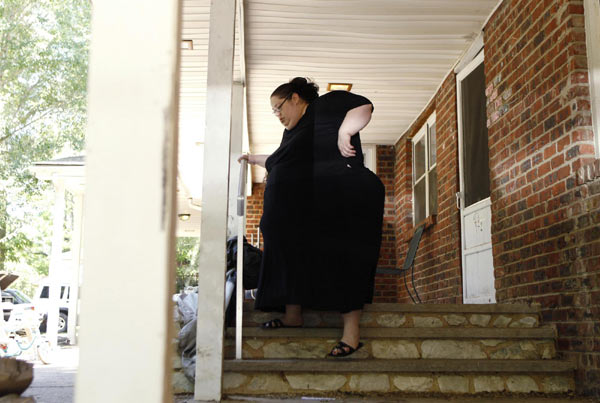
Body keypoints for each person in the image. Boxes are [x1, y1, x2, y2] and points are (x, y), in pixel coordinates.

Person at [239, 77, 384, 357]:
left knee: (345, 260)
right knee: (295, 255)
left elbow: (363, 107)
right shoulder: (292, 134)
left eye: (278, 107)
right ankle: (293, 315)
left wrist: (344, 132)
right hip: (308, 207)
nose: (277, 115)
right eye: (274, 111)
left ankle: (351, 336)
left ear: (295, 98)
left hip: (345, 198)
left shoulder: (325, 105)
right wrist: (253, 158)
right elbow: (282, 159)